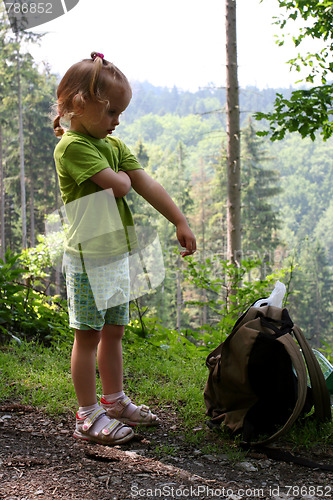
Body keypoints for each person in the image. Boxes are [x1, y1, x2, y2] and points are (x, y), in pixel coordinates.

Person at [53, 52, 196, 445]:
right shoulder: (72, 147)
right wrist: (124, 178)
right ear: (79, 105)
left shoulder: (111, 144)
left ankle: (113, 400)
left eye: (121, 112)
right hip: (86, 257)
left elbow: (145, 182)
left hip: (117, 254)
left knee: (113, 331)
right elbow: (120, 186)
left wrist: (179, 220)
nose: (118, 120)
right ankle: (87, 415)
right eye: (112, 111)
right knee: (87, 335)